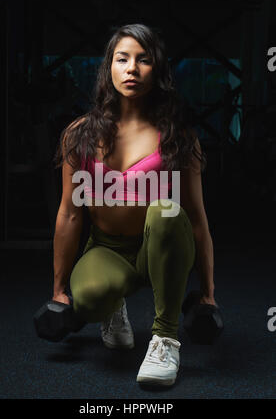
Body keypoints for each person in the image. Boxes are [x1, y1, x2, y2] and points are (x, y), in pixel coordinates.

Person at [53, 23, 216, 386]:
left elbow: (197, 219)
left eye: (143, 60)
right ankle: (112, 306)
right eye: (122, 58)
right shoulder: (79, 135)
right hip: (107, 249)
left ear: (157, 70)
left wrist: (208, 294)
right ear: (108, 67)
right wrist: (58, 291)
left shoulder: (179, 138)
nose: (131, 68)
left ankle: (165, 339)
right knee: (91, 296)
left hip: (161, 244)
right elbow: (69, 212)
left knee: (166, 210)